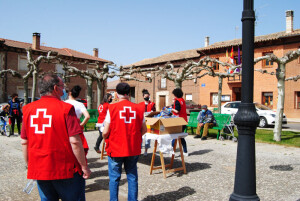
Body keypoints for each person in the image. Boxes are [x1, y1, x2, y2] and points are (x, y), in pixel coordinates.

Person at [20, 74, 91, 200]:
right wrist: (84, 166)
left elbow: (24, 142)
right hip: (65, 169)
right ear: (55, 88)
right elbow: (75, 141)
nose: (64, 90)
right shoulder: (66, 109)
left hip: (40, 169)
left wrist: (29, 165)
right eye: (62, 86)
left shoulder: (27, 109)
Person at [103, 82, 147, 201]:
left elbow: (106, 131)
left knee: (114, 178)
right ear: (128, 94)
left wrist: (104, 136)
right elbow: (144, 129)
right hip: (133, 148)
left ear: (116, 94)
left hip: (115, 148)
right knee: (132, 177)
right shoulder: (138, 108)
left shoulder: (111, 108)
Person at [65, 85, 90, 155]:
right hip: (76, 127)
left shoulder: (64, 103)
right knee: (78, 145)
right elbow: (87, 116)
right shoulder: (80, 104)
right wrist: (81, 124)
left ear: (69, 93)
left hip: (65, 126)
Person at [170, 88, 189, 156]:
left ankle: (172, 152)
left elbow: (177, 111)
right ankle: (185, 151)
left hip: (178, 121)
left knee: (174, 136)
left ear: (176, 94)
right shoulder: (182, 100)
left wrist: (171, 109)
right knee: (181, 136)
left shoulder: (177, 101)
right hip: (184, 120)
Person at [139, 89, 156, 156]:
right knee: (141, 137)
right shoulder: (140, 104)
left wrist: (152, 112)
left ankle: (146, 150)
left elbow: (154, 112)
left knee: (148, 137)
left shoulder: (152, 104)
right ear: (143, 97)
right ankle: (139, 150)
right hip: (142, 122)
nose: (147, 97)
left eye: (148, 96)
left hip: (149, 122)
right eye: (146, 96)